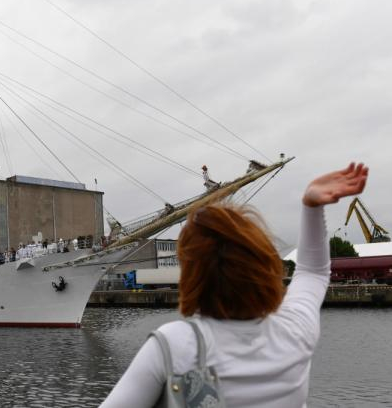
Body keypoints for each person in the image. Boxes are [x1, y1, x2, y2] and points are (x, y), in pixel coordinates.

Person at [101, 162, 368, 407]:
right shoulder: (294, 330)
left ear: (191, 275)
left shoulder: (176, 344)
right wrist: (312, 207)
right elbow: (313, 273)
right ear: (264, 265)